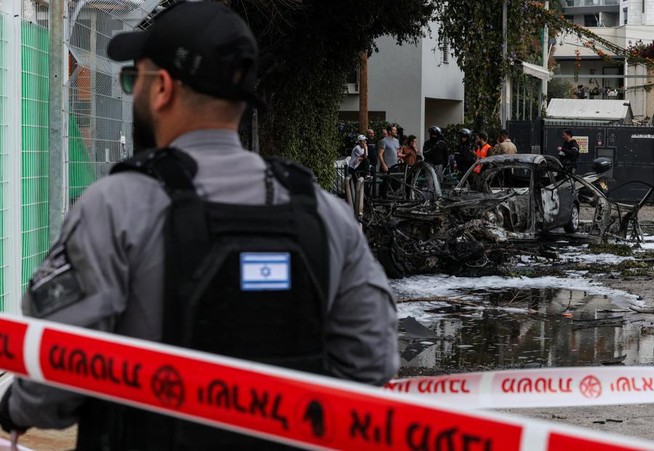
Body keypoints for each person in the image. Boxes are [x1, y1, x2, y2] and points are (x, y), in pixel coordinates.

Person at [0, 2, 399, 449]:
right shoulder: (324, 214)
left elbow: (58, 370)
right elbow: (373, 359)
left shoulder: (117, 207)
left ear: (163, 88)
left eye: (136, 79)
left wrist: (16, 406)